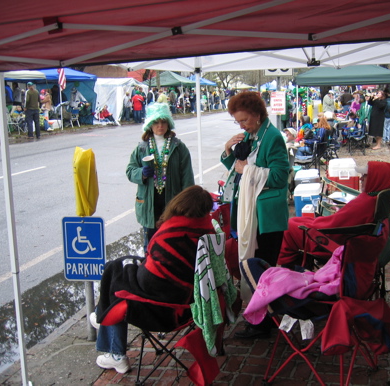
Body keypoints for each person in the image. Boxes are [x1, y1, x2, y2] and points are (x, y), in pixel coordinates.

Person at [90, 185, 216, 374]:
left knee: (115, 277)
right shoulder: (208, 233)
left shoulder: (170, 235)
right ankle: (103, 319)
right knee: (119, 269)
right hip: (192, 305)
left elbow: (148, 281)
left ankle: (115, 352)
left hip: (167, 312)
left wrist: (134, 271)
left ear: (178, 204)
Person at [220, 91, 290, 339]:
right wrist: (228, 151)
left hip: (266, 216)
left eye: (245, 120)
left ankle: (262, 323)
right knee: (253, 266)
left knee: (260, 268)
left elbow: (281, 176)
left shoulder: (272, 138)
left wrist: (249, 169)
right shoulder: (252, 136)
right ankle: (262, 317)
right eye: (238, 122)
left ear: (258, 115)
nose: (242, 125)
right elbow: (239, 174)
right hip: (251, 211)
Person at [277, 161, 390, 268]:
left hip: (331, 241)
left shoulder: (365, 203)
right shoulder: (373, 200)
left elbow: (332, 225)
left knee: (289, 225)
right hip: (344, 235)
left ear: (376, 179)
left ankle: (289, 266)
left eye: (365, 176)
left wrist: (317, 222)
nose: (360, 178)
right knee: (297, 221)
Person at [126, 102, 194, 252]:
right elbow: (130, 171)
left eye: (164, 122)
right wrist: (141, 174)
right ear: (150, 124)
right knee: (150, 244)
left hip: (172, 201)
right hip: (148, 203)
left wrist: (187, 206)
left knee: (171, 243)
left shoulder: (179, 147)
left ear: (169, 124)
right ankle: (149, 272)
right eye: (156, 122)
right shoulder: (142, 147)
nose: (160, 126)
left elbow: (187, 178)